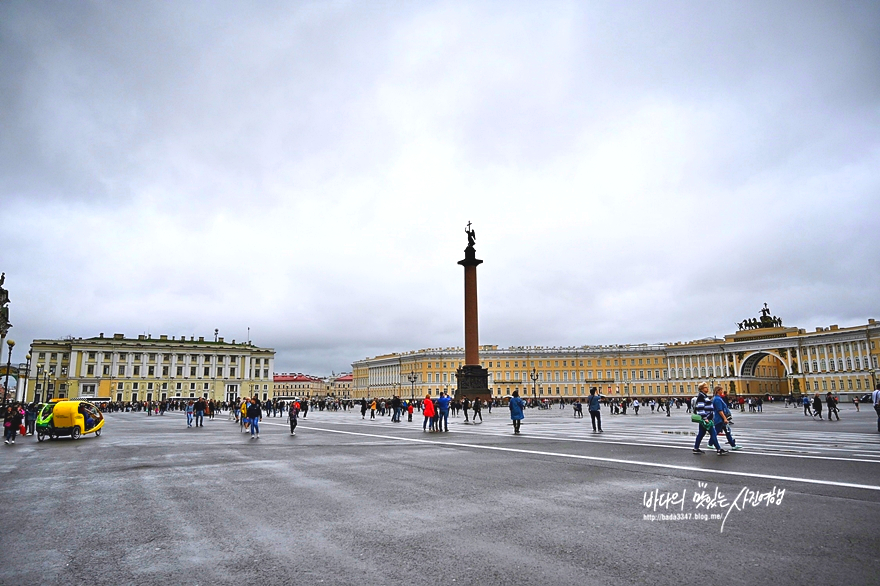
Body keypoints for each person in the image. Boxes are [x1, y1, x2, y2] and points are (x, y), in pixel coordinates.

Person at [694, 382, 727, 455]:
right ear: (702, 389)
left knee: (701, 434)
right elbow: (700, 408)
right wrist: (705, 418)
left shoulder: (704, 396)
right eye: (706, 387)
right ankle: (718, 449)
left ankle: (696, 448)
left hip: (707, 418)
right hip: (706, 419)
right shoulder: (701, 396)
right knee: (713, 433)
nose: (707, 388)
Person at [712, 386, 740, 450]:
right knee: (716, 432)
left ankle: (733, 445)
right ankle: (710, 443)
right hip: (720, 419)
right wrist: (724, 418)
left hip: (722, 418)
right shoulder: (717, 399)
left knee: (727, 432)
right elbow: (720, 410)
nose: (722, 392)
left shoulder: (718, 398)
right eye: (721, 390)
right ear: (718, 391)